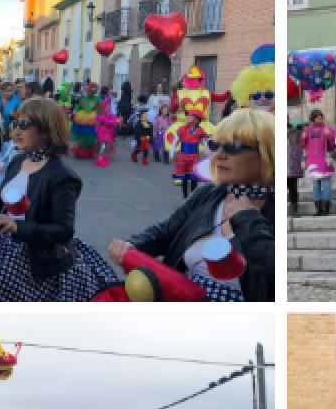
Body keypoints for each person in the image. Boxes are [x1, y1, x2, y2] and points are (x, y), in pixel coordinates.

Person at [109, 108, 274, 302]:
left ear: (265, 154)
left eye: (232, 147)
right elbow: (166, 231)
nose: (218, 155)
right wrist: (131, 243)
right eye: (215, 145)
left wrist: (248, 220)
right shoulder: (209, 193)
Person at [0, 97, 118, 301]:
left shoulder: (62, 176)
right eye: (16, 123)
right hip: (4, 248)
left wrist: (17, 228)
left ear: (47, 131)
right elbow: (7, 201)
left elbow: (63, 230)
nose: (16, 131)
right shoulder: (17, 160)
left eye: (25, 125)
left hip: (39, 262)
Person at [302, 110, 336, 216]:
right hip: (312, 160)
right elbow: (303, 146)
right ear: (312, 119)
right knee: (316, 185)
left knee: (326, 185)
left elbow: (334, 145)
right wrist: (302, 137)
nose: (319, 119)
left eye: (320, 117)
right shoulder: (307, 130)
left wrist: (329, 136)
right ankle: (318, 209)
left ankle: (326, 208)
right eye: (317, 117)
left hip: (325, 160)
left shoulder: (328, 129)